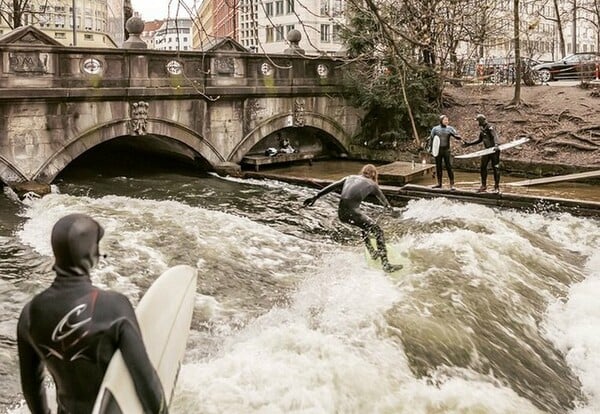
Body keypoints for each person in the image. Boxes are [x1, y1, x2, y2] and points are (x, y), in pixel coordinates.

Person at [17, 213, 168, 414]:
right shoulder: (114, 307)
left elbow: (31, 386)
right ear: (90, 254)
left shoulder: (30, 314)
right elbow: (145, 381)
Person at [303, 164, 402, 273]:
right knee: (378, 231)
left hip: (342, 214)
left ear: (363, 172)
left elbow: (332, 186)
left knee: (365, 226)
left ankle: (372, 252)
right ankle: (386, 264)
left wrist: (315, 197)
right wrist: (395, 213)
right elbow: (386, 204)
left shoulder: (349, 177)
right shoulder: (373, 184)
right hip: (352, 213)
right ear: (374, 174)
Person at [463, 114, 501, 193]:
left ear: (481, 120)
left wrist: (497, 145)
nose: (477, 123)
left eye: (478, 121)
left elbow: (495, 136)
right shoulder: (482, 129)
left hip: (494, 150)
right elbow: (479, 140)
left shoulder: (490, 127)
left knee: (496, 168)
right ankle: (483, 186)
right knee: (483, 167)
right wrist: (469, 144)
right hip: (487, 151)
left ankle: (496, 187)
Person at [427, 115, 463, 190]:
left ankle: (452, 185)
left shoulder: (450, 129)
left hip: (446, 150)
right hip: (438, 150)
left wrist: (459, 138)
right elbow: (431, 139)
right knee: (438, 167)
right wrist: (430, 149)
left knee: (449, 167)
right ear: (441, 121)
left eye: (447, 120)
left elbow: (456, 135)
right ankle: (439, 184)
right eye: (445, 120)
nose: (446, 121)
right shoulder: (435, 129)